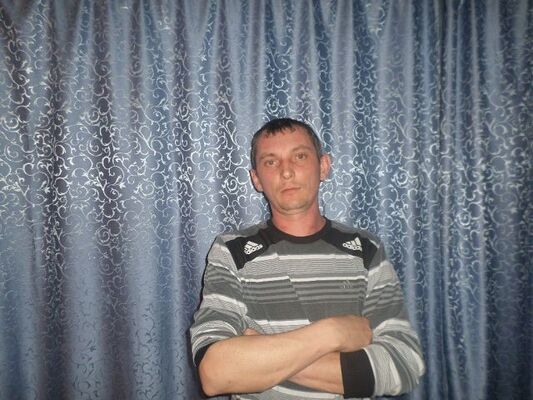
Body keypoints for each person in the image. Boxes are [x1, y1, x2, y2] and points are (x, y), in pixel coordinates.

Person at [190, 118, 425, 399]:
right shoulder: (232, 251)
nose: (286, 171)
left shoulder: (366, 249)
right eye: (270, 162)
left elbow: (404, 365)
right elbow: (215, 374)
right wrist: (332, 333)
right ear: (256, 179)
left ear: (323, 166)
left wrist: (261, 352)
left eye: (299, 156)